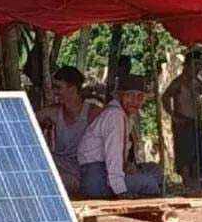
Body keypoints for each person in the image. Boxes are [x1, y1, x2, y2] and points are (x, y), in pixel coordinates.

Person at [77, 73, 162, 198]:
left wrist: (127, 167)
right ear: (120, 95)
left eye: (139, 97)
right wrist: (120, 189)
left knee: (155, 170)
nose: (135, 101)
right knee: (149, 183)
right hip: (97, 179)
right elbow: (114, 153)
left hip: (105, 172)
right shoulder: (115, 116)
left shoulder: (126, 116)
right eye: (130, 95)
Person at [36, 66, 98, 194]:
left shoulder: (93, 113)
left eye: (58, 88)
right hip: (52, 166)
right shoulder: (52, 112)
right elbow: (24, 120)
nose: (54, 92)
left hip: (77, 174)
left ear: (73, 88)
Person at [162, 48, 202, 187]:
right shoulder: (178, 82)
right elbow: (165, 96)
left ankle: (198, 181)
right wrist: (172, 115)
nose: (197, 68)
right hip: (183, 121)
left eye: (200, 65)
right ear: (187, 66)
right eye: (195, 65)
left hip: (196, 121)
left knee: (197, 152)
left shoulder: (199, 81)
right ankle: (187, 182)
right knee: (185, 153)